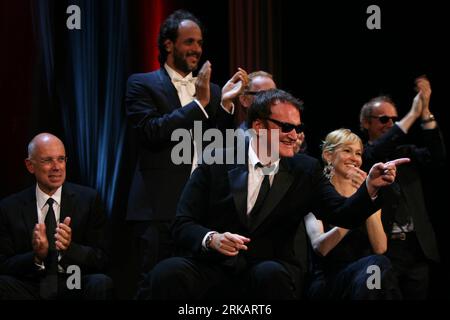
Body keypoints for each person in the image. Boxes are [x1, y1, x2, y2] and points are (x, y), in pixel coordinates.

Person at [147, 89, 408, 300]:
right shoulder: (216, 160)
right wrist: (211, 238)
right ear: (258, 126)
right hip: (213, 266)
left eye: (297, 127)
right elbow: (182, 224)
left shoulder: (305, 170)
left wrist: (370, 188)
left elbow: (342, 213)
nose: (294, 135)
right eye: (285, 127)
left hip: (265, 268)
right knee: (167, 273)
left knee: (270, 275)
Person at [125, 9, 246, 281]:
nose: (197, 49)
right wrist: (198, 105)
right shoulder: (141, 84)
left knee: (196, 284)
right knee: (155, 283)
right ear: (168, 44)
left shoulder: (213, 90)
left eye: (200, 43)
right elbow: (151, 132)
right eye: (189, 42)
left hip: (200, 212)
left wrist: (225, 104)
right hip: (158, 209)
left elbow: (219, 147)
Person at [359, 76, 446, 299]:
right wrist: (411, 115)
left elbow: (438, 158)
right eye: (383, 119)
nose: (390, 124)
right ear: (366, 123)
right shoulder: (361, 155)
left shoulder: (405, 152)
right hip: (380, 251)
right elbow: (377, 151)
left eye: (394, 119)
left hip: (416, 250)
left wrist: (425, 112)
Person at [0, 133, 112, 300]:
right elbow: (4, 264)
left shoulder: (88, 199)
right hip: (31, 284)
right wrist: (37, 256)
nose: (57, 167)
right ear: (30, 165)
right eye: (48, 160)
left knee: (101, 283)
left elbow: (102, 258)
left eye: (61, 159)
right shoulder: (9, 207)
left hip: (72, 281)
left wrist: (70, 248)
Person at [305, 128, 400, 299]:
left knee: (377, 267)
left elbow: (380, 247)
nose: (355, 158)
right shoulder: (315, 192)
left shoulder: (368, 194)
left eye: (358, 153)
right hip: (330, 279)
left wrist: (365, 195)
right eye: (347, 151)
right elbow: (321, 248)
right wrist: (353, 209)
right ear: (328, 155)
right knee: (377, 270)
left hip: (366, 273)